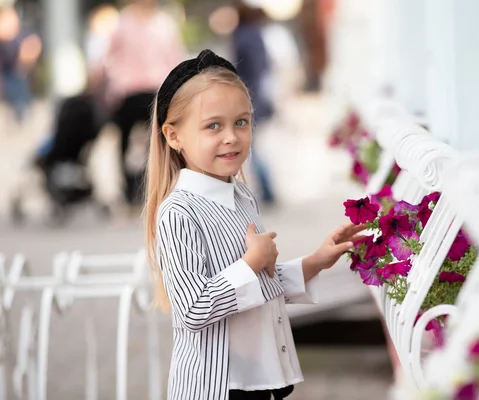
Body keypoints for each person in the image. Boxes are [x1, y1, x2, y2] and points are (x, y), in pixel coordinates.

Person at [144, 49, 366, 400]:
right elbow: (193, 310)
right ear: (173, 136)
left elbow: (262, 284)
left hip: (261, 379)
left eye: (241, 122)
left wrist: (315, 262)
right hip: (217, 387)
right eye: (213, 125)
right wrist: (250, 264)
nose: (231, 136)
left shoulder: (242, 195)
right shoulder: (179, 212)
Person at [104, 0, 185, 206]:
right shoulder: (122, 23)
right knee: (125, 143)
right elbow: (110, 59)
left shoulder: (164, 23)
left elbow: (174, 58)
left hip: (156, 91)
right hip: (128, 92)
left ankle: (154, 185)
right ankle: (129, 187)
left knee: (158, 142)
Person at [232, 2, 276, 205]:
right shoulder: (258, 35)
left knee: (252, 146)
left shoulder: (241, 36)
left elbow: (239, 70)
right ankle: (267, 188)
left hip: (247, 97)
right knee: (253, 145)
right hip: (259, 95)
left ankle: (267, 188)